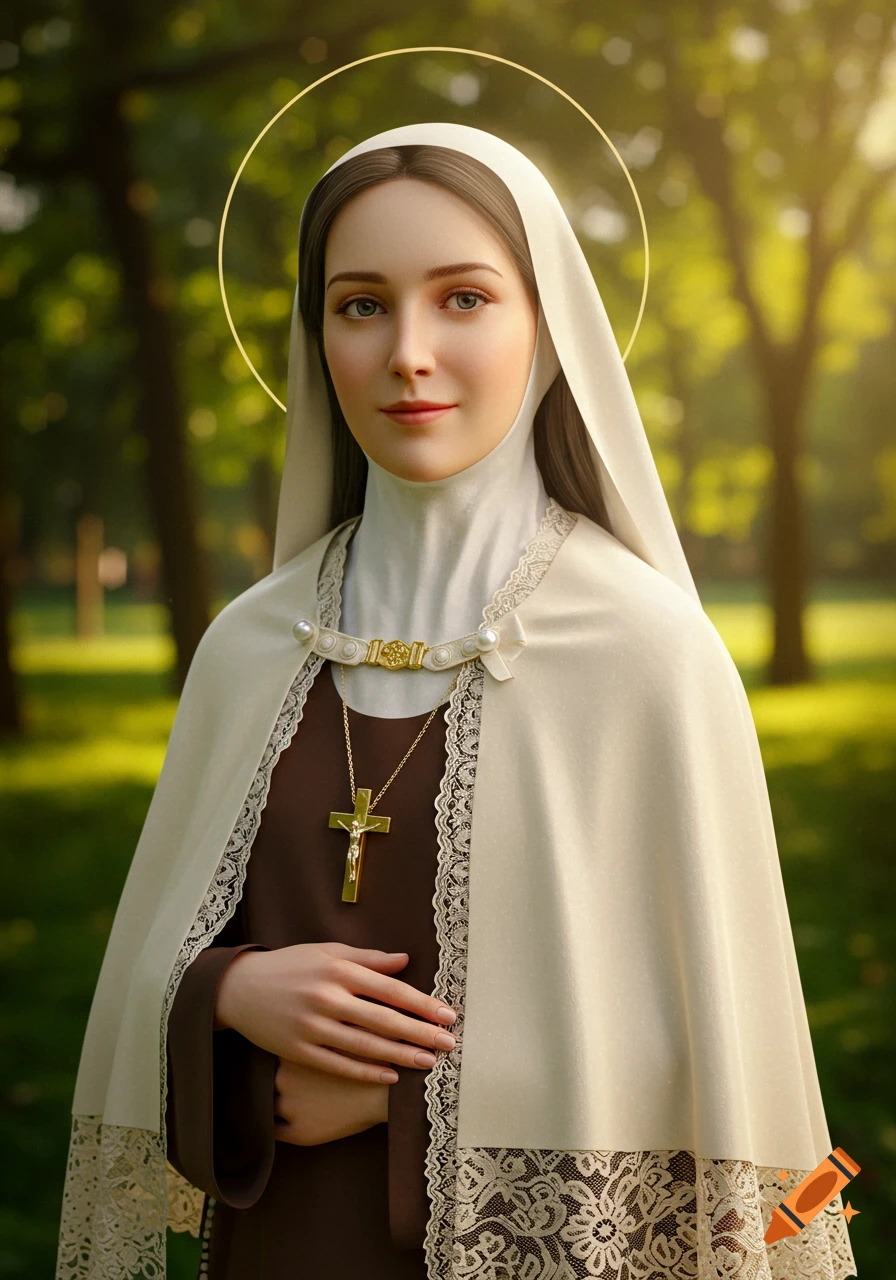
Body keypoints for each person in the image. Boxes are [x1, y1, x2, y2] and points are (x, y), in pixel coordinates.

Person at [56, 123, 858, 1280]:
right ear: (315, 336)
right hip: (288, 1244)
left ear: (548, 330)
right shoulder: (249, 646)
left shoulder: (647, 653)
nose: (408, 354)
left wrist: (405, 1101)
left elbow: (715, 1051)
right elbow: (141, 979)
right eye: (360, 305)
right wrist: (223, 994)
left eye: (464, 299)